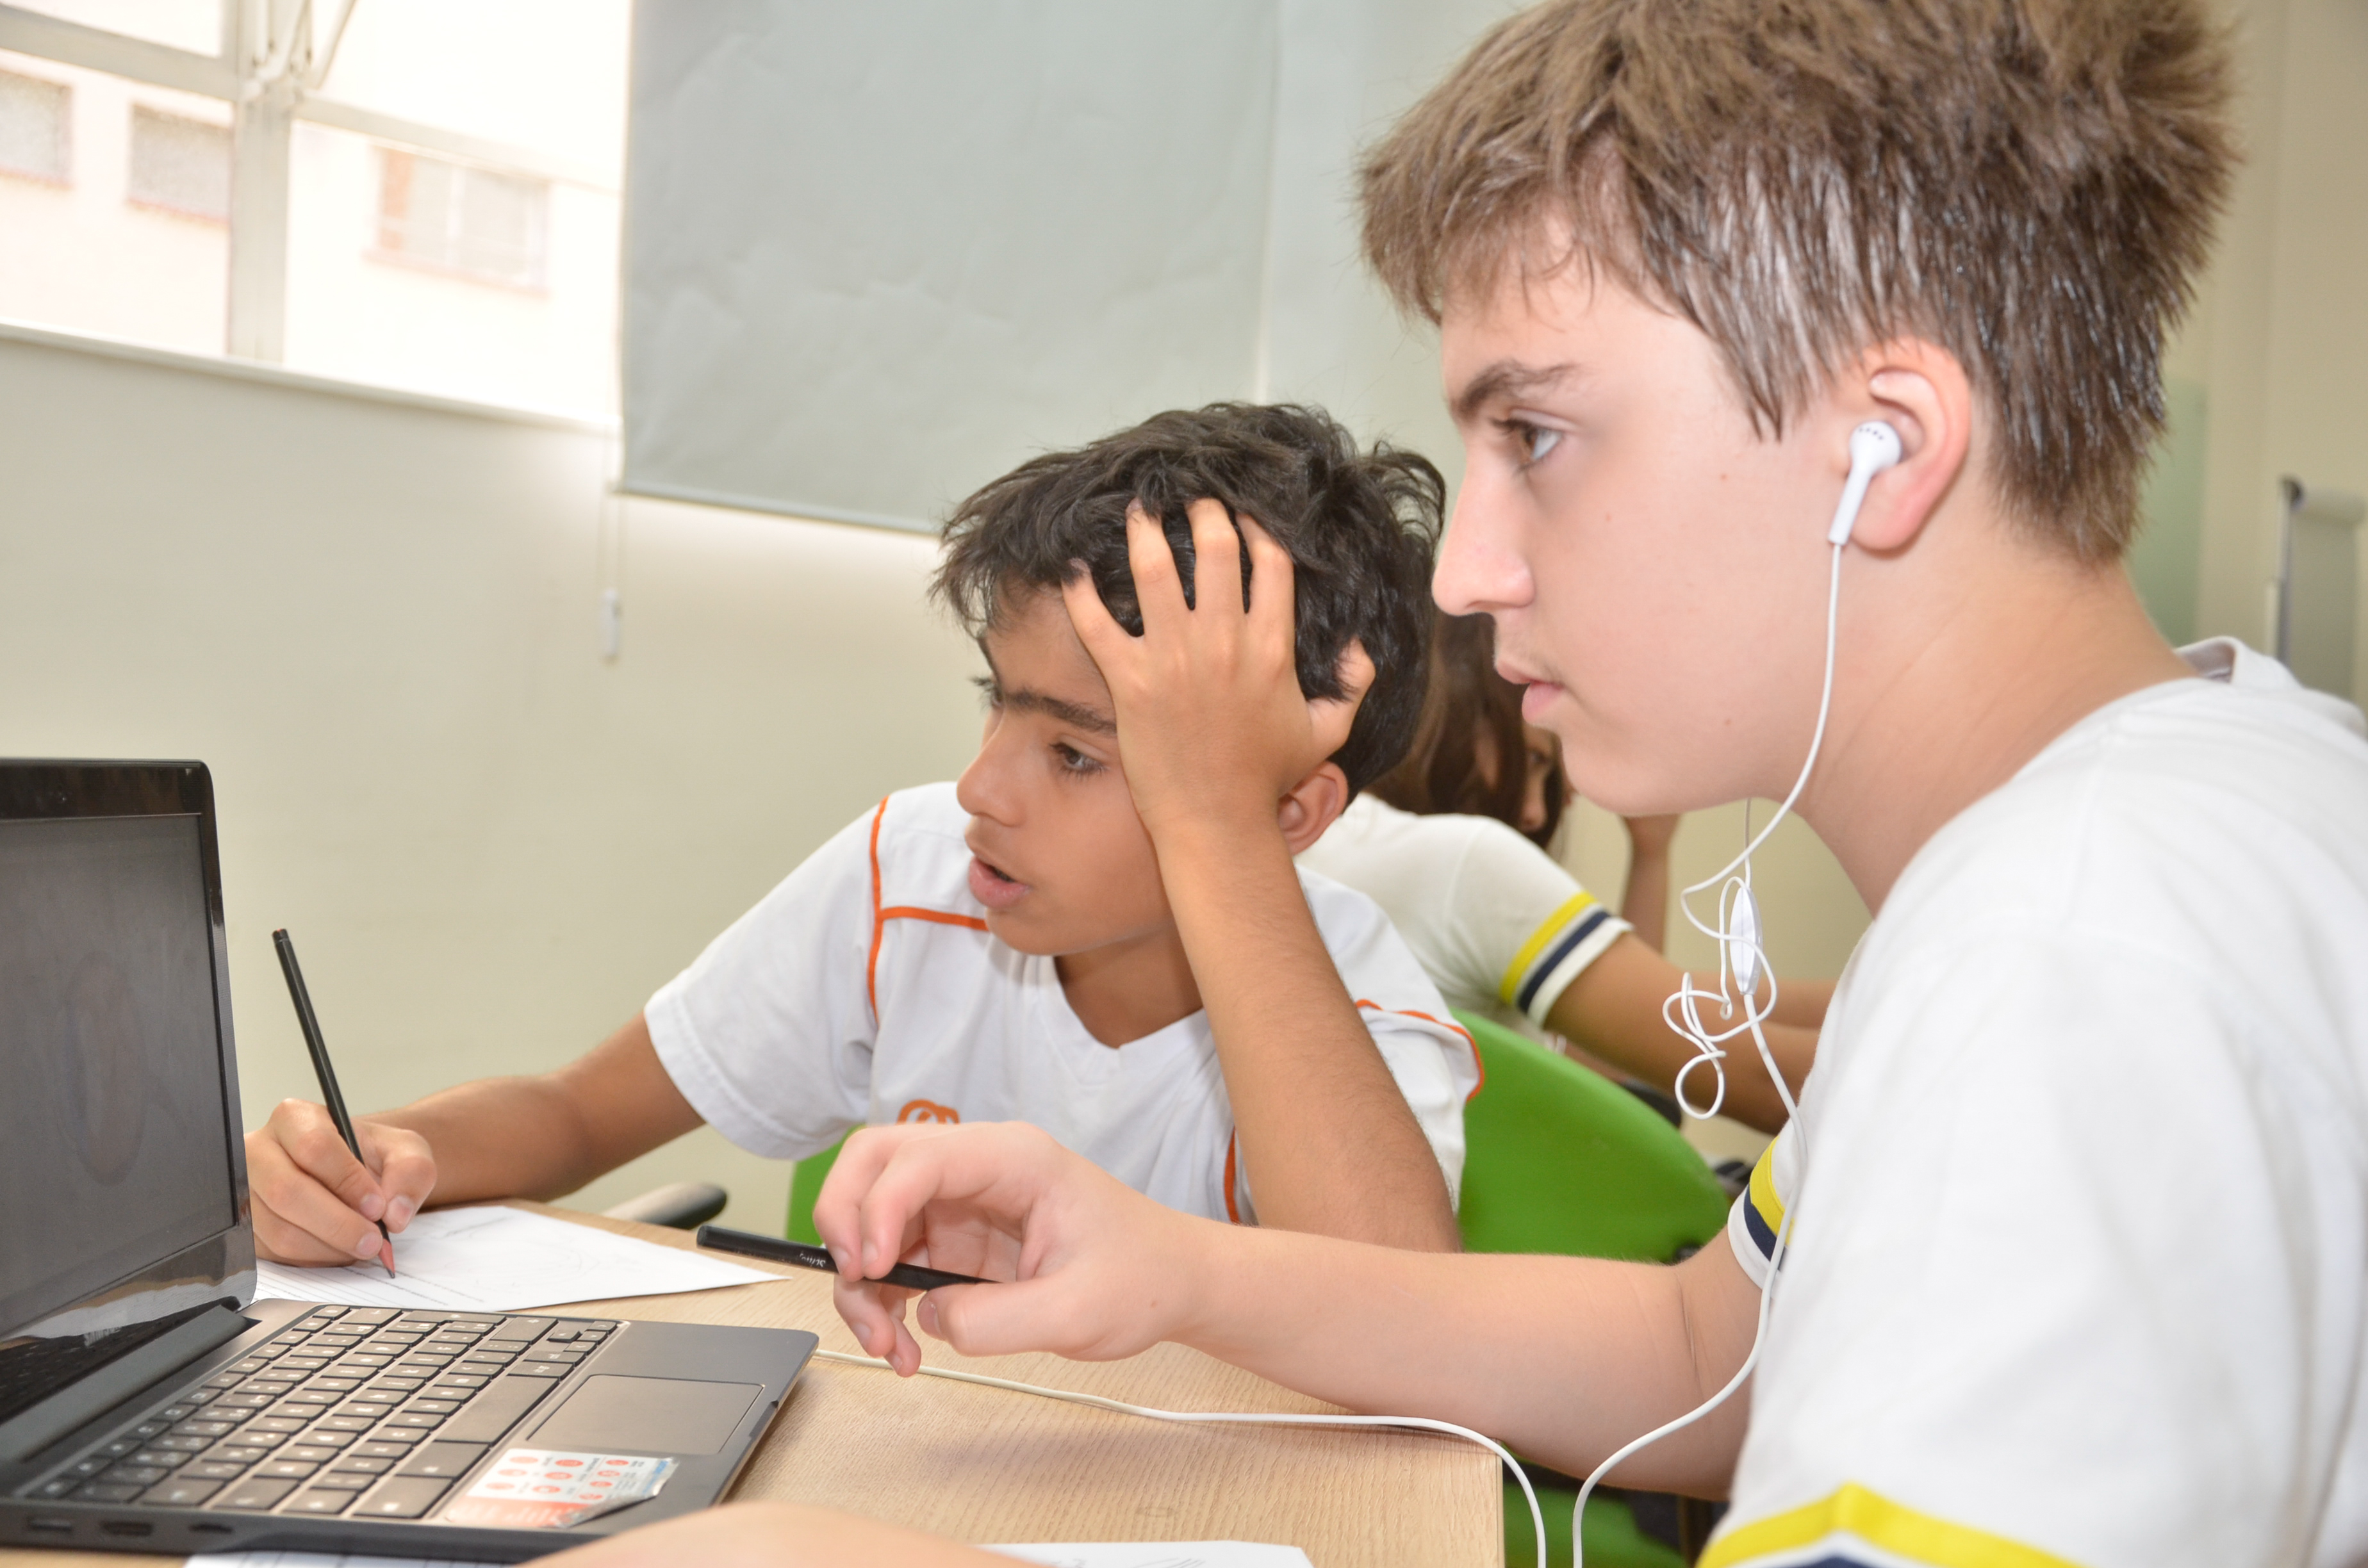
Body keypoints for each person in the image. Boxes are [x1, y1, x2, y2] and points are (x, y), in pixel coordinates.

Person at [548, 0, 2368, 1564]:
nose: (1470, 572)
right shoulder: (2150, 832)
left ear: (1881, 450)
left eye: (1537, 433)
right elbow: (1700, 1363)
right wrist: (1177, 1267)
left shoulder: (2076, 960)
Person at [243, 402, 1479, 1261]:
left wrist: (1222, 836)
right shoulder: (918, 870)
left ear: (1289, 813)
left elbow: (1396, 1314)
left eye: (1075, 753)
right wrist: (383, 1154)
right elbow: (576, 1114)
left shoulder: (1364, 1012)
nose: (982, 787)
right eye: (998, 699)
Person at [1303, 608, 1827, 1131]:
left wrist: (1651, 855)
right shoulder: (1465, 861)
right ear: (1466, 713)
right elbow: (1761, 1079)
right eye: (1534, 761)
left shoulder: (1341, 843)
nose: (1536, 812)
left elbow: (1646, 1019)